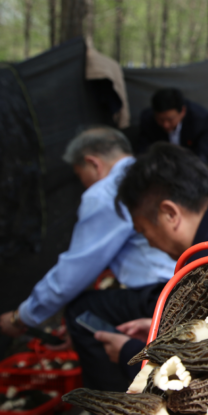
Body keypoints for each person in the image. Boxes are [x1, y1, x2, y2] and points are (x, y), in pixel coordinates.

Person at [0, 127, 175, 392]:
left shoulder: (107, 191)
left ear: (93, 163)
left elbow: (73, 273)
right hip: (183, 276)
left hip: (160, 292)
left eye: (80, 175)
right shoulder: (155, 170)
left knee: (81, 310)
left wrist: (22, 316)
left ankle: (112, 399)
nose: (84, 184)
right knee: (97, 307)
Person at [94, 142, 208, 380]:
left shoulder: (203, 270)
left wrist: (130, 352)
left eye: (143, 231)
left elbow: (202, 369)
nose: (150, 243)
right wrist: (162, 329)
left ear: (170, 214)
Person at [139, 87, 208, 187]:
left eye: (170, 119)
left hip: (196, 160)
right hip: (165, 166)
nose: (165, 125)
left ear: (183, 112)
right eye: (161, 120)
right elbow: (144, 152)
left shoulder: (200, 119)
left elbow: (203, 153)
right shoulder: (147, 120)